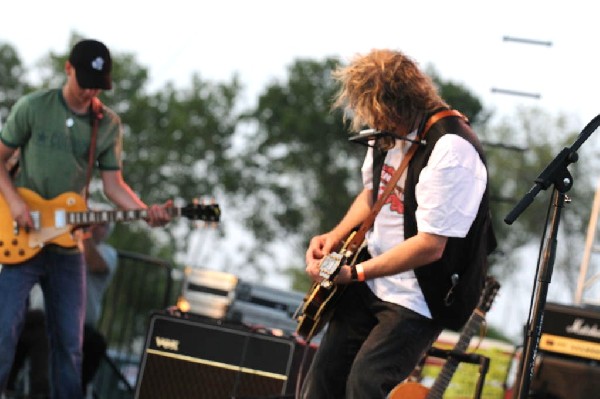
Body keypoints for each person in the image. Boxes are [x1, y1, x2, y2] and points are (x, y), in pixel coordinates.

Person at [300, 49, 496, 398]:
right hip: (371, 279)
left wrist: (356, 274)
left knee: (366, 383)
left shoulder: (452, 149)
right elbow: (373, 194)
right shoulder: (388, 132)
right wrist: (334, 235)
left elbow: (431, 246)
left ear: (393, 104)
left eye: (373, 110)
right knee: (322, 380)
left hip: (419, 296)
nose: (370, 119)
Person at [0, 39, 172, 398]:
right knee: (3, 333)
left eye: (98, 85)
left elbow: (113, 185)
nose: (90, 91)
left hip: (67, 246)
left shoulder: (106, 123)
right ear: (68, 69)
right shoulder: (33, 106)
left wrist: (145, 212)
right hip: (22, 234)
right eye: (85, 82)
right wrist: (15, 203)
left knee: (70, 344)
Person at [79, 220, 117, 394]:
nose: (94, 226)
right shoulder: (61, 244)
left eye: (101, 224)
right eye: (91, 221)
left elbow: (96, 264)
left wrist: (84, 233)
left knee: (96, 343)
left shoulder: (108, 253)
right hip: (44, 318)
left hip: (82, 328)